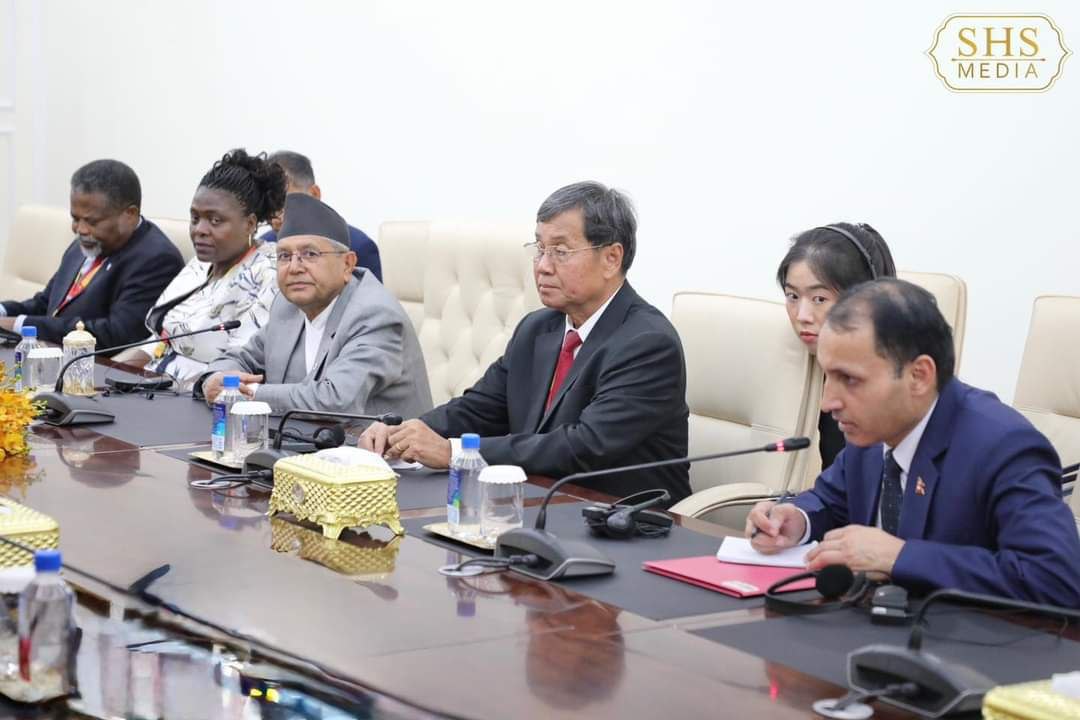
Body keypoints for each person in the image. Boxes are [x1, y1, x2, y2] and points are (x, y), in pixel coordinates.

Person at [747, 279, 1080, 606]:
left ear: (919, 376)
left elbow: (1056, 578)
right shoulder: (872, 431)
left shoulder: (1003, 446)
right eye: (828, 376)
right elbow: (830, 499)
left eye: (849, 379)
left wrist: (900, 557)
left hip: (968, 636)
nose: (827, 402)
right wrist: (796, 519)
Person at [360, 181, 690, 502]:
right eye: (539, 249)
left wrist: (454, 452)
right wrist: (405, 432)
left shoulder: (647, 343)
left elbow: (584, 446)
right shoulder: (537, 328)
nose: (543, 266)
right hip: (537, 502)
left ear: (611, 259)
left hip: (622, 518)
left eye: (560, 252)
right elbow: (480, 409)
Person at [198, 192, 431, 418]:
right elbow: (243, 357)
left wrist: (245, 393)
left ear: (347, 264)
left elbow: (335, 400)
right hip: (301, 438)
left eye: (310, 254)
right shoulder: (288, 305)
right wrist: (214, 379)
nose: (294, 268)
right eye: (284, 256)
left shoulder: (375, 314)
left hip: (376, 443)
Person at [112, 150, 286, 389]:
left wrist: (155, 391)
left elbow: (240, 362)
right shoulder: (202, 263)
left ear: (250, 224)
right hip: (153, 383)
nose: (200, 230)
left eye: (215, 221)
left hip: (202, 392)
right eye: (195, 218)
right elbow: (161, 340)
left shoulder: (269, 272)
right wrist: (111, 374)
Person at [0, 160, 184, 345]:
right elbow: (46, 303)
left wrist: (18, 324)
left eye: (92, 222)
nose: (80, 229)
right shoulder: (85, 243)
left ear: (130, 214)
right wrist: (3, 311)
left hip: (91, 360)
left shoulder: (157, 260)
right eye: (75, 218)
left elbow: (115, 333)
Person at [777, 223, 895, 471]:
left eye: (819, 299)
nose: (802, 316)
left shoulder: (893, 394)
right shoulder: (797, 366)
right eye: (793, 296)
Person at [260, 151, 382, 282]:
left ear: (314, 194)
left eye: (283, 203)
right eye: (267, 206)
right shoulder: (263, 248)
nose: (275, 217)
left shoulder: (359, 246)